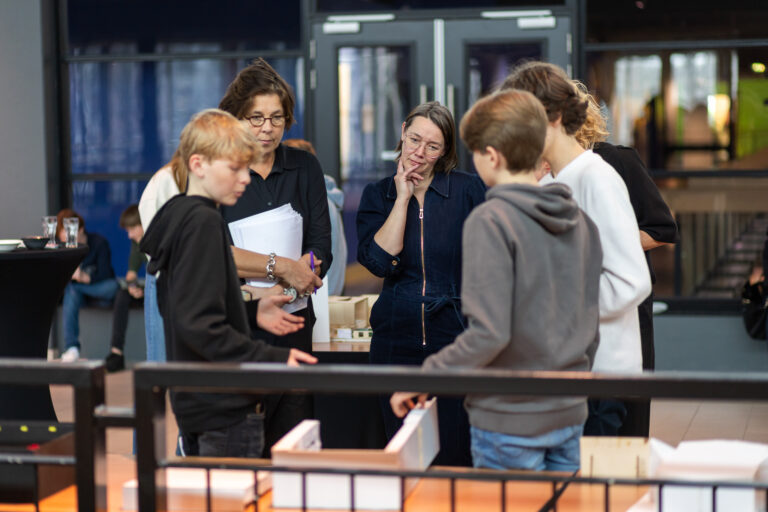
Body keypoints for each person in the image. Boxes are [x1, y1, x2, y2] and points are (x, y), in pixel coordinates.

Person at [390, 89, 602, 471]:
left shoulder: (491, 220)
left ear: (492, 156)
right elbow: (590, 322)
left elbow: (489, 333)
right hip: (569, 411)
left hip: (509, 418)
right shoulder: (580, 220)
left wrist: (427, 377)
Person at [139, 108, 317, 458]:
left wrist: (252, 312)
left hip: (197, 401)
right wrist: (272, 357)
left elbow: (183, 306)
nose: (245, 179)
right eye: (234, 169)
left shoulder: (179, 213)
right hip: (222, 403)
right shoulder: (203, 222)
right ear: (198, 164)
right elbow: (200, 326)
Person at [500, 61, 652, 435]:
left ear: (551, 117)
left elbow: (631, 282)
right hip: (566, 373)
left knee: (584, 491)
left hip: (597, 379)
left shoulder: (596, 177)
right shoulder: (553, 180)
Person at [356, 102, 486, 466]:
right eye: (414, 139)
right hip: (396, 339)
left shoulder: (469, 191)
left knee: (456, 453)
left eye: (432, 146)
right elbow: (380, 262)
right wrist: (402, 198)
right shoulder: (378, 195)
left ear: (445, 151)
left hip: (454, 338)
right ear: (402, 132)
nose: (419, 152)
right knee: (404, 456)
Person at [217, 58, 329, 452]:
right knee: (243, 442)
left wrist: (305, 273)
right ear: (237, 118)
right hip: (239, 324)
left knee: (294, 441)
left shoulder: (304, 167)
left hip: (295, 321)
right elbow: (213, 252)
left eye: (277, 118)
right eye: (256, 117)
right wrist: (279, 267)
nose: (267, 128)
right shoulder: (224, 172)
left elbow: (321, 247)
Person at [573, 83, 678, 437]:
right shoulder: (550, 172)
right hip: (577, 313)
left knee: (627, 414)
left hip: (626, 305)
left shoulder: (617, 159)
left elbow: (662, 229)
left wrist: (606, 245)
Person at [283, 138, 348, 295]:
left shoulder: (318, 203)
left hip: (319, 294)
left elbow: (322, 255)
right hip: (327, 292)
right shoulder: (329, 198)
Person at [138, 152, 185, 366]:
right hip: (164, 276)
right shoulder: (165, 179)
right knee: (160, 364)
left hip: (188, 279)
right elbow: (154, 242)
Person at [58, 208, 119, 362]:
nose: (68, 239)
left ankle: (72, 348)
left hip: (101, 288)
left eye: (70, 232)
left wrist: (85, 277)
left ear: (80, 229)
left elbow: (106, 274)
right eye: (64, 237)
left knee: (113, 286)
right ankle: (72, 348)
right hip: (78, 293)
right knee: (72, 291)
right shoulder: (66, 248)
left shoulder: (99, 243)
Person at [104, 204, 146, 372]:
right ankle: (116, 353)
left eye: (132, 229)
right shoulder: (137, 243)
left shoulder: (157, 239)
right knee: (122, 295)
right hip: (148, 289)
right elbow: (131, 274)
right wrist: (132, 287)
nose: (129, 235)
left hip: (163, 287)